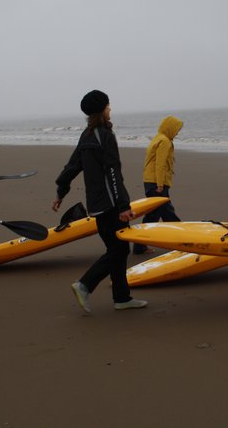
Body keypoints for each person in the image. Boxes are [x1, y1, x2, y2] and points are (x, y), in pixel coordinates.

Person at [52, 90, 148, 313]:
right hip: (110, 205)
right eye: (108, 105)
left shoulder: (86, 136)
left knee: (118, 249)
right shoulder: (104, 135)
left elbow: (72, 166)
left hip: (96, 205)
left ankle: (122, 298)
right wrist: (123, 206)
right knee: (118, 250)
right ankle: (84, 285)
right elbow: (113, 171)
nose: (110, 108)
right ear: (101, 110)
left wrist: (60, 192)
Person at [132, 115, 184, 255]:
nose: (177, 132)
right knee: (167, 214)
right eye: (177, 129)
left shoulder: (157, 138)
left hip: (150, 181)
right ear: (170, 127)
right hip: (156, 183)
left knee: (153, 215)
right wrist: (160, 185)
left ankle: (139, 246)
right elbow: (160, 164)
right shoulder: (165, 141)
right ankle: (183, 242)